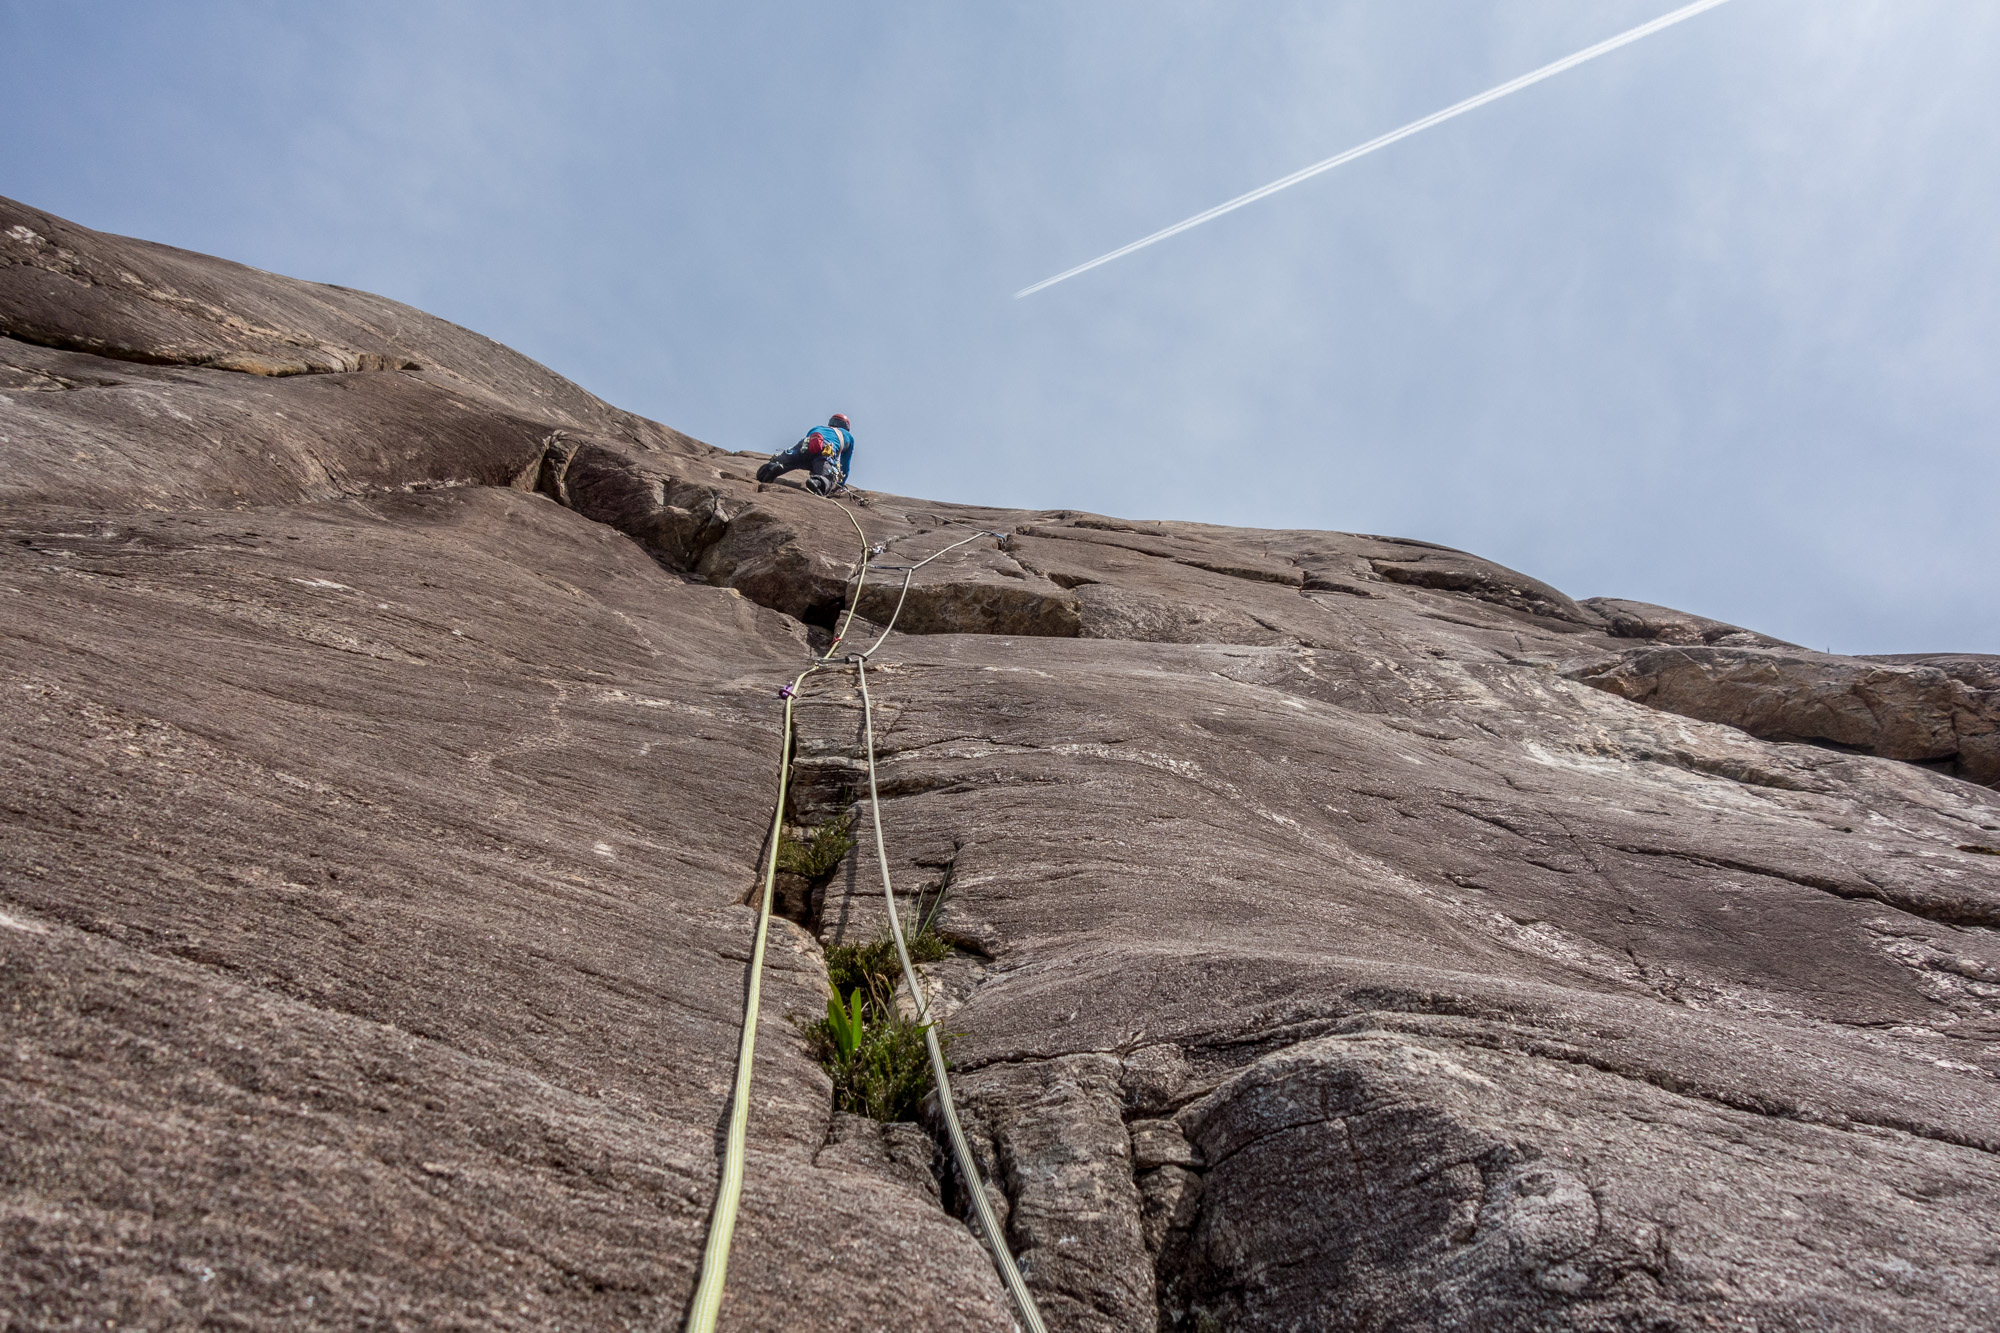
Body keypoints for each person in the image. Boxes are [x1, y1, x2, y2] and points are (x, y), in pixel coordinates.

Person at [757, 414, 855, 494]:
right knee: (826, 477)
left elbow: (810, 442)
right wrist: (839, 485)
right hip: (825, 452)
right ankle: (817, 482)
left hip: (805, 446)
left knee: (794, 461)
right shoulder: (848, 436)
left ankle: (774, 467)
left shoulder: (818, 428)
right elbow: (845, 465)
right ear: (846, 426)